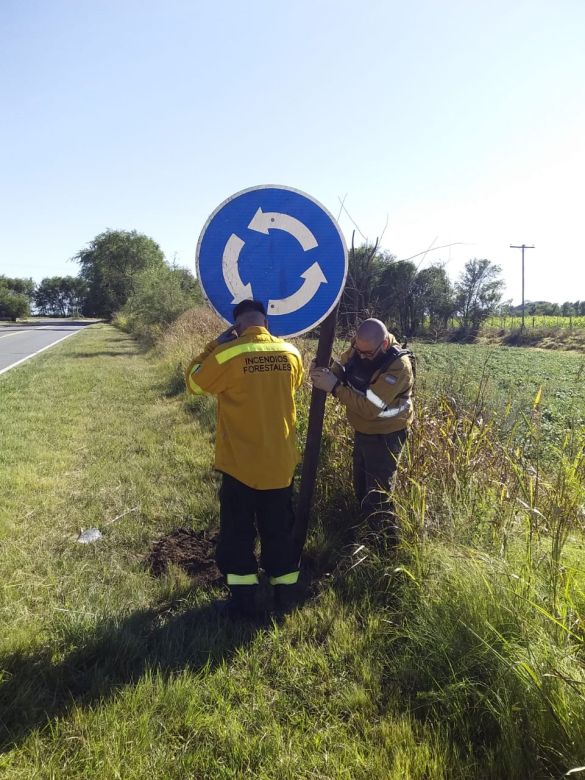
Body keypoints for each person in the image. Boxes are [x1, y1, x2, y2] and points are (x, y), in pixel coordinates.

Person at [185, 299, 304, 619]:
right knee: (279, 530)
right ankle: (285, 596)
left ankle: (243, 603)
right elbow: (296, 385)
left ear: (237, 325)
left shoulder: (227, 354)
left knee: (238, 535)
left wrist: (214, 344)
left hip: (241, 464)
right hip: (280, 463)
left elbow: (194, 382)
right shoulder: (291, 354)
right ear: (266, 322)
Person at [309, 318, 414, 544]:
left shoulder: (398, 367)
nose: (362, 356)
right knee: (361, 488)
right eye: (359, 350)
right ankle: (364, 535)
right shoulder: (361, 348)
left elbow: (369, 408)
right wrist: (325, 373)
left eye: (368, 354)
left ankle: (386, 547)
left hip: (386, 435)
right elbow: (344, 366)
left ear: (384, 345)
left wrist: (335, 387)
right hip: (363, 431)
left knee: (378, 495)